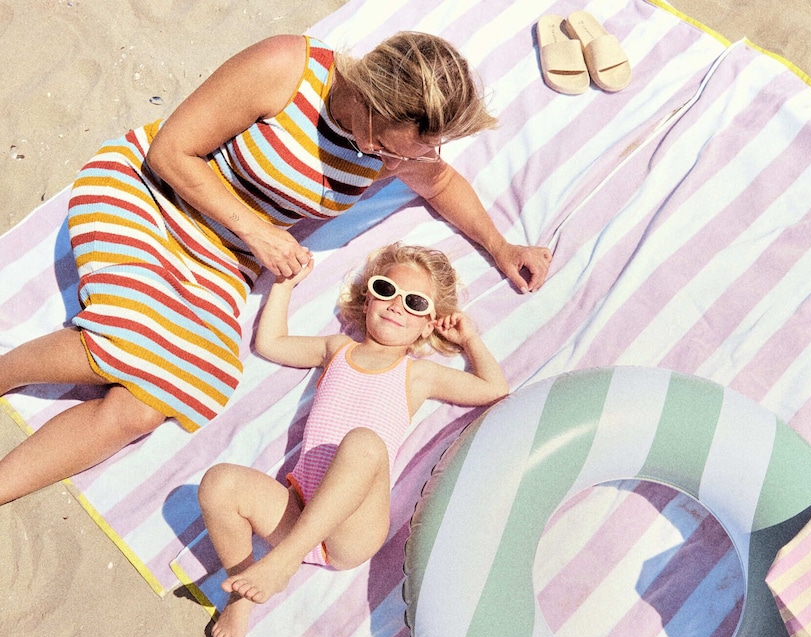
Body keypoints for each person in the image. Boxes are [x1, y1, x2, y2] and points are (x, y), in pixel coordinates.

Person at [0, 31, 550, 505]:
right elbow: (170, 152)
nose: (388, 162)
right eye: (384, 144)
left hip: (226, 255)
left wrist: (501, 247)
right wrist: (258, 231)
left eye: (404, 156)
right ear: (368, 91)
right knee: (136, 336)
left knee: (155, 400)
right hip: (154, 194)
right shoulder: (287, 70)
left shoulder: (401, 150)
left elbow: (441, 181)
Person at [197, 243, 507, 637]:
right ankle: (241, 596)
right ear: (367, 299)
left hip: (351, 532)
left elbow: (494, 389)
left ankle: (282, 562)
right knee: (219, 483)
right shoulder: (337, 349)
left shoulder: (418, 375)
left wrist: (470, 339)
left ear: (427, 325)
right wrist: (284, 284)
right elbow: (271, 343)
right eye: (386, 290)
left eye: (414, 303)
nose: (396, 305)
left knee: (364, 443)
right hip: (298, 510)